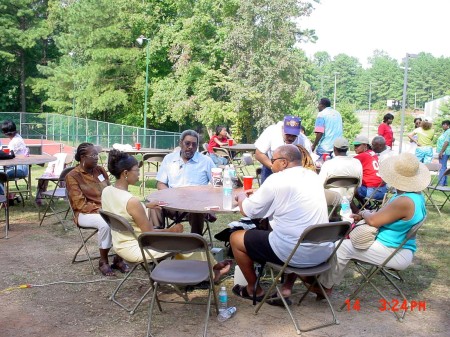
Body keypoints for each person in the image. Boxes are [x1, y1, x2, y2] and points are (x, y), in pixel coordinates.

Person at [102, 149, 231, 280]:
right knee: (192, 242)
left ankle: (212, 267)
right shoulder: (132, 202)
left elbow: (122, 209)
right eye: (136, 170)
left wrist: (144, 205)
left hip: (120, 245)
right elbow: (149, 235)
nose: (139, 173)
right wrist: (172, 230)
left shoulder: (107, 191)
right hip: (139, 247)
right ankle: (212, 272)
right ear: (125, 173)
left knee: (186, 239)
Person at [315, 153, 429, 297]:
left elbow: (374, 221)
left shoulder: (405, 200)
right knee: (342, 241)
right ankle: (323, 281)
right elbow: (383, 216)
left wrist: (364, 214)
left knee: (341, 246)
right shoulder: (415, 196)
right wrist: (368, 214)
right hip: (395, 248)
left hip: (393, 252)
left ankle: (325, 287)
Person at [230, 145, 330, 303]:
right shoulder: (313, 177)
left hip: (293, 252)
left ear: (283, 162)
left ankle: (253, 289)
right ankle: (287, 288)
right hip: (321, 252)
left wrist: (242, 196)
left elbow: (248, 211)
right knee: (291, 233)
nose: (271, 163)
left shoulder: (277, 179)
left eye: (273, 160)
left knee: (236, 238)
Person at [66, 143, 127, 276]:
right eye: (93, 155)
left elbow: (111, 191)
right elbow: (79, 204)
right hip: (84, 213)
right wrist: (104, 210)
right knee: (105, 223)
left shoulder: (100, 170)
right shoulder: (73, 176)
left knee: (126, 217)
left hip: (106, 209)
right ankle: (103, 261)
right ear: (82, 157)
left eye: (97, 155)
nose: (96, 158)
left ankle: (118, 258)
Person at [153, 130, 215, 234]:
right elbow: (160, 183)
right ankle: (157, 238)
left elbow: (217, 184)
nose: (190, 147)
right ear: (180, 143)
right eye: (187, 143)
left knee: (197, 209)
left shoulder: (206, 161)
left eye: (194, 144)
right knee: (153, 206)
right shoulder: (169, 159)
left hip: (195, 204)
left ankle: (196, 243)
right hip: (172, 203)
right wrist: (171, 195)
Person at [254, 115, 303, 184]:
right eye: (288, 134)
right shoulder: (271, 131)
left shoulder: (303, 139)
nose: (291, 138)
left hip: (292, 171)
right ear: (282, 128)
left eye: (294, 135)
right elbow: (258, 154)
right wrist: (273, 167)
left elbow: (308, 161)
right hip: (271, 165)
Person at [352, 135, 386, 202]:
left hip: (372, 191)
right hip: (383, 190)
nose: (355, 148)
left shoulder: (361, 156)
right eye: (354, 146)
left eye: (357, 145)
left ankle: (362, 208)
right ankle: (366, 206)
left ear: (365, 145)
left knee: (349, 188)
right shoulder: (372, 153)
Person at [436, 120, 450, 185]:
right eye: (443, 124)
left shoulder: (448, 132)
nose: (443, 125)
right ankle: (444, 182)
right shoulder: (445, 132)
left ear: (448, 125)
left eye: (445, 124)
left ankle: (441, 183)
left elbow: (446, 143)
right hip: (444, 152)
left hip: (445, 152)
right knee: (444, 167)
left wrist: (441, 152)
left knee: (442, 167)